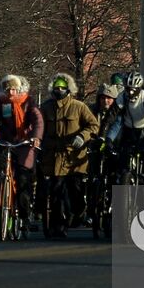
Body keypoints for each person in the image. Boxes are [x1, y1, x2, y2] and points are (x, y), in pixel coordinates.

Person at [39, 73, 99, 237]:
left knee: (76, 193)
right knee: (56, 192)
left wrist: (82, 136)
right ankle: (58, 226)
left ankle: (77, 214)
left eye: (62, 88)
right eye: (56, 87)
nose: (59, 90)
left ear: (68, 89)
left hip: (75, 159)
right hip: (54, 157)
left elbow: (93, 125)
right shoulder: (45, 108)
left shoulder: (78, 106)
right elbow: (38, 127)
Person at [0, 74, 44, 234]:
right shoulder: (1, 103)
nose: (11, 92)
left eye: (13, 89)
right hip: (6, 142)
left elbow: (37, 121)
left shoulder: (28, 102)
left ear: (18, 89)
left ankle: (25, 218)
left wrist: (35, 137)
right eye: (8, 89)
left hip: (24, 144)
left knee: (23, 181)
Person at [106, 73, 144, 183]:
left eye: (133, 89)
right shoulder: (123, 98)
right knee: (122, 160)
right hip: (130, 134)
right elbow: (113, 119)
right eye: (128, 89)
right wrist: (106, 138)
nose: (130, 92)